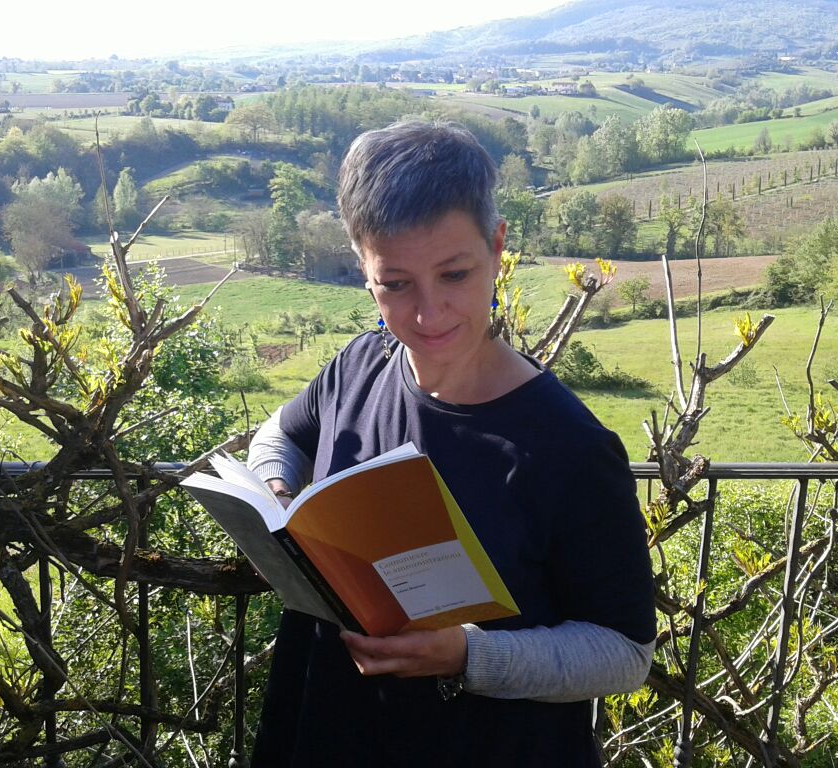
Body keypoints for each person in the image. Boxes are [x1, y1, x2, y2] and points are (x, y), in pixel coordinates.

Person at [244, 120, 657, 767]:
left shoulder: (568, 447)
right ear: (362, 267)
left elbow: (625, 654)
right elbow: (281, 433)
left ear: (497, 248)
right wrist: (276, 490)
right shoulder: (360, 365)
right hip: (332, 726)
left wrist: (469, 655)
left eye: (455, 274)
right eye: (396, 283)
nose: (427, 313)